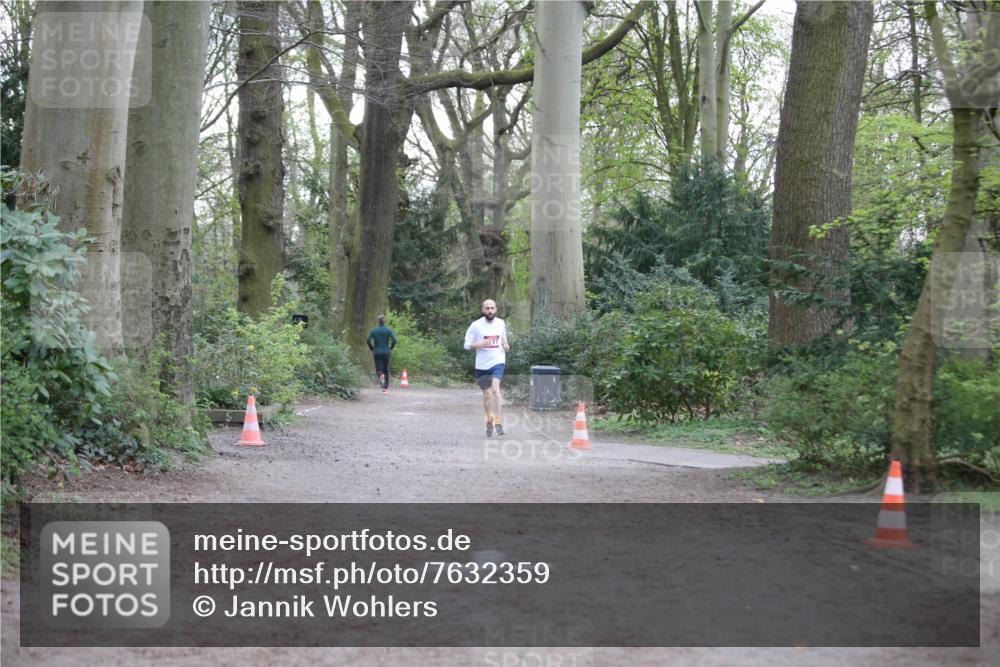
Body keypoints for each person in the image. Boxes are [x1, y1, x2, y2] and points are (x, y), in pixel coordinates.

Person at [463, 299, 510, 436]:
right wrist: (480, 344)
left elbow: (503, 340)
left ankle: (499, 422)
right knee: (487, 394)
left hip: (498, 361)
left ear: (496, 309)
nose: (490, 311)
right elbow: (466, 345)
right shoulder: (476, 325)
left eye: (492, 308)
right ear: (483, 310)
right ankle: (489, 419)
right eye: (487, 308)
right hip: (482, 365)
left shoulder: (501, 323)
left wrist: (506, 345)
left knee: (496, 390)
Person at [366, 315, 397, 394]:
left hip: (377, 352)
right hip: (386, 352)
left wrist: (372, 348)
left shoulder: (374, 330)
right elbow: (395, 340)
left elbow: (368, 340)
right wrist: (391, 347)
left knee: (379, 370)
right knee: (386, 369)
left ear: (378, 321)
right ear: (384, 321)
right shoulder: (388, 330)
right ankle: (385, 388)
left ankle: (381, 375)